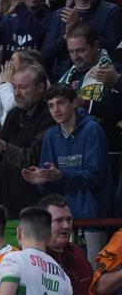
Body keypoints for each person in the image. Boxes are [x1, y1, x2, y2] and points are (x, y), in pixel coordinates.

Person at [0, 63, 55, 216]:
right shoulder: (15, 114)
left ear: (40, 88)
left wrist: (0, 145)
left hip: (38, 205)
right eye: (14, 87)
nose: (17, 93)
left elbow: (34, 159)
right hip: (9, 200)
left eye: (23, 87)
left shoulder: (50, 116)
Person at [24, 84, 111, 222]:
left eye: (61, 103)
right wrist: (43, 180)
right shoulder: (51, 136)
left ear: (74, 102)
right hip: (62, 216)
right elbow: (50, 185)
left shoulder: (92, 130)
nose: (56, 110)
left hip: (93, 215)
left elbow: (96, 177)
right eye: (51, 106)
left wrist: (61, 176)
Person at [43, 0, 122, 76]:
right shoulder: (59, 15)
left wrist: (80, 26)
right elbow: (45, 54)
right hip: (63, 76)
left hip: (98, 76)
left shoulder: (112, 11)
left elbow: (113, 50)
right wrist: (65, 37)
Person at [53, 24, 122, 149]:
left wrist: (85, 104)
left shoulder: (114, 71)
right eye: (71, 51)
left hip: (107, 144)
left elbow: (117, 110)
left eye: (80, 50)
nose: (75, 57)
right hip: (72, 146)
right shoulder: (66, 77)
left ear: (96, 46)